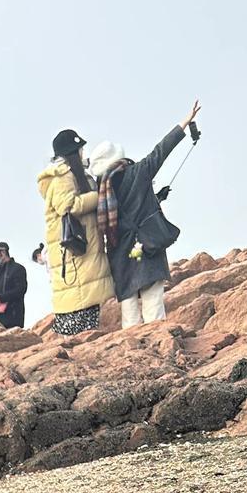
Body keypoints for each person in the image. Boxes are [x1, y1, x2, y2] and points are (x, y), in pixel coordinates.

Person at [88, 101, 201, 328]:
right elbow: (162, 150)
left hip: (121, 253)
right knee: (154, 308)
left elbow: (118, 216)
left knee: (129, 315)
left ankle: (133, 344)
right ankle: (157, 344)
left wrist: (155, 197)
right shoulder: (138, 172)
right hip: (147, 248)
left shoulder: (100, 190)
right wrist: (185, 122)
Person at [37, 129, 113, 336]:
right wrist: (98, 196)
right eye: (80, 149)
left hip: (83, 251)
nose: (83, 153)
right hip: (75, 255)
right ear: (73, 151)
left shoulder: (74, 174)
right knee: (80, 318)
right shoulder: (62, 177)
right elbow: (67, 206)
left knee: (88, 316)